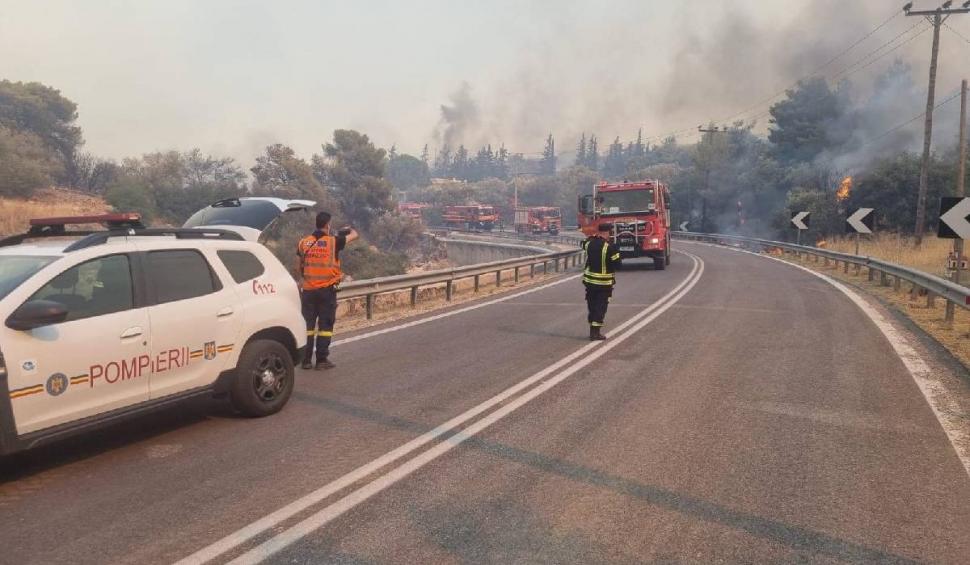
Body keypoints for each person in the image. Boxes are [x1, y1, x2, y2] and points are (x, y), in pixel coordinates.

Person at [296, 212, 358, 370]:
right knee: (325, 325)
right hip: (327, 290)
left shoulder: (304, 242)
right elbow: (355, 235)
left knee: (307, 327)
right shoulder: (334, 242)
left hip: (308, 290)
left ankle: (306, 361)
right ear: (328, 225)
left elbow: (300, 265)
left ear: (316, 224)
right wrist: (347, 230)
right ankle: (322, 360)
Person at [582, 223, 621, 341]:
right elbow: (618, 265)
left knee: (592, 305)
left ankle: (592, 330)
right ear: (608, 232)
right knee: (601, 307)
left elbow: (583, 244)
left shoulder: (589, 243)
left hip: (589, 282)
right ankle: (595, 333)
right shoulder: (609, 247)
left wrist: (593, 237)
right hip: (604, 284)